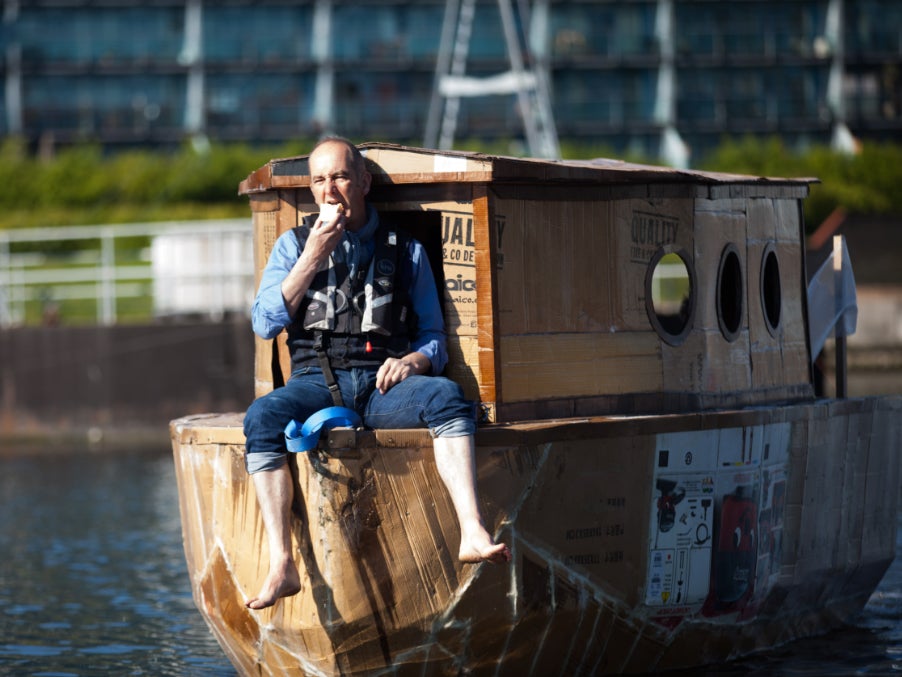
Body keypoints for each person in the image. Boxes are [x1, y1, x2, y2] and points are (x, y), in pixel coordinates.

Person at [242, 137, 510, 610]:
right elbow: (264, 322)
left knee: (446, 397)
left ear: (363, 182)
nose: (330, 190)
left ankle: (471, 529)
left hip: (382, 384)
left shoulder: (405, 250)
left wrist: (413, 361)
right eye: (320, 180)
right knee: (261, 418)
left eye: (341, 177)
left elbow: (433, 337)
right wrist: (313, 257)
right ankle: (282, 564)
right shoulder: (294, 245)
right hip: (314, 382)